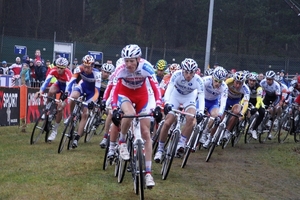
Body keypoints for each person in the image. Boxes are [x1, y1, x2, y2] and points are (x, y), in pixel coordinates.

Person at [110, 44, 162, 188]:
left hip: (142, 96)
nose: (128, 64)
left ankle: (148, 174)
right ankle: (122, 142)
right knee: (130, 114)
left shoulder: (146, 67)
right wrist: (114, 108)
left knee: (146, 134)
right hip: (124, 94)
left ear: (138, 59)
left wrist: (158, 106)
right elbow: (114, 90)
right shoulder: (120, 69)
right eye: (126, 60)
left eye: (132, 61)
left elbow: (156, 88)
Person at [154, 58, 205, 161]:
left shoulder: (199, 81)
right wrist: (167, 102)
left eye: (191, 73)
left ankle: (181, 143)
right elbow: (169, 89)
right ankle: (160, 149)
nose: (188, 75)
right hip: (175, 96)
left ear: (195, 72)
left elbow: (201, 97)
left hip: (189, 98)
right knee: (168, 122)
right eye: (186, 72)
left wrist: (201, 112)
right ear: (182, 70)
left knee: (191, 118)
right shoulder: (176, 74)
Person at [66, 55, 101, 148]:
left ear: (92, 66)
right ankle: (71, 115)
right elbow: (71, 81)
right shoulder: (79, 68)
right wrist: (66, 92)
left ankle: (77, 138)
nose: (86, 69)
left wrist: (93, 102)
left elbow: (97, 91)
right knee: (73, 96)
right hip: (82, 87)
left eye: (88, 67)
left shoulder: (97, 74)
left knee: (85, 114)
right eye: (84, 66)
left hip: (92, 93)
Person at [34, 57, 72, 141]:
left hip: (67, 89)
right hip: (59, 84)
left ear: (65, 68)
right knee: (50, 91)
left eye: (61, 68)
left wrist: (64, 97)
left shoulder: (68, 73)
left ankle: (54, 131)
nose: (59, 69)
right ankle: (47, 107)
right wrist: (40, 92)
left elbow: (69, 87)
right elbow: (46, 82)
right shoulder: (53, 70)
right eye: (57, 67)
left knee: (60, 108)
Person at [199, 66, 229, 148]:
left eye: (220, 82)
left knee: (215, 115)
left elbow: (223, 102)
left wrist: (220, 114)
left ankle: (204, 133)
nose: (217, 84)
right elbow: (196, 92)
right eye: (216, 81)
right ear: (212, 77)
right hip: (202, 99)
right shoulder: (205, 80)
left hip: (213, 103)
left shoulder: (224, 87)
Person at [260, 70, 282, 139]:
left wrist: (274, 105)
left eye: (270, 79)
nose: (268, 81)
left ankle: (271, 129)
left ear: (273, 79)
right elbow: (260, 91)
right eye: (267, 79)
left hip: (275, 97)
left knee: (273, 109)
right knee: (261, 108)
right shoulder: (263, 82)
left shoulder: (276, 85)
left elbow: (278, 97)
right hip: (267, 97)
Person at [244, 72, 265, 139]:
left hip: (256, 100)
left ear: (256, 81)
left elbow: (259, 100)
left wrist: (256, 108)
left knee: (262, 113)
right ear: (248, 80)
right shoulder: (245, 84)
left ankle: (254, 129)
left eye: (253, 81)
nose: (251, 82)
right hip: (247, 99)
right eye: (250, 80)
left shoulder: (259, 87)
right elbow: (242, 96)